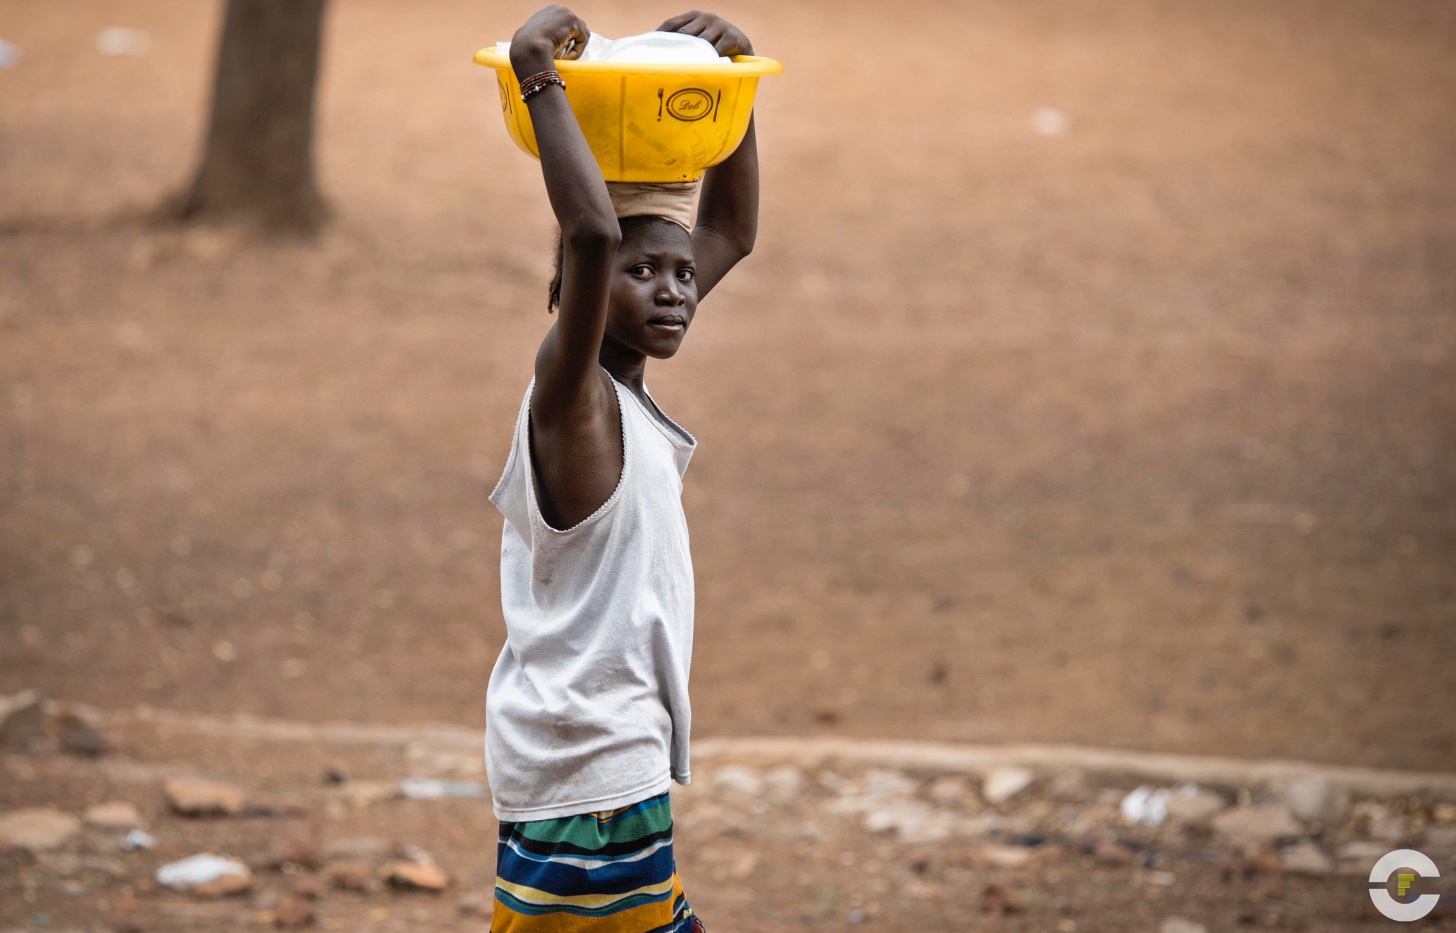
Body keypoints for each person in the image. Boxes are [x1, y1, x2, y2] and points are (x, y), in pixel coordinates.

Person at [484, 6, 760, 931]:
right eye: (648, 275)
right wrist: (536, 75)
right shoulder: (575, 402)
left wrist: (736, 87)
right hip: (585, 785)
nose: (677, 289)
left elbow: (731, 228)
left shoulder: (627, 397)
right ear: (580, 294)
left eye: (683, 276)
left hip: (604, 768)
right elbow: (596, 235)